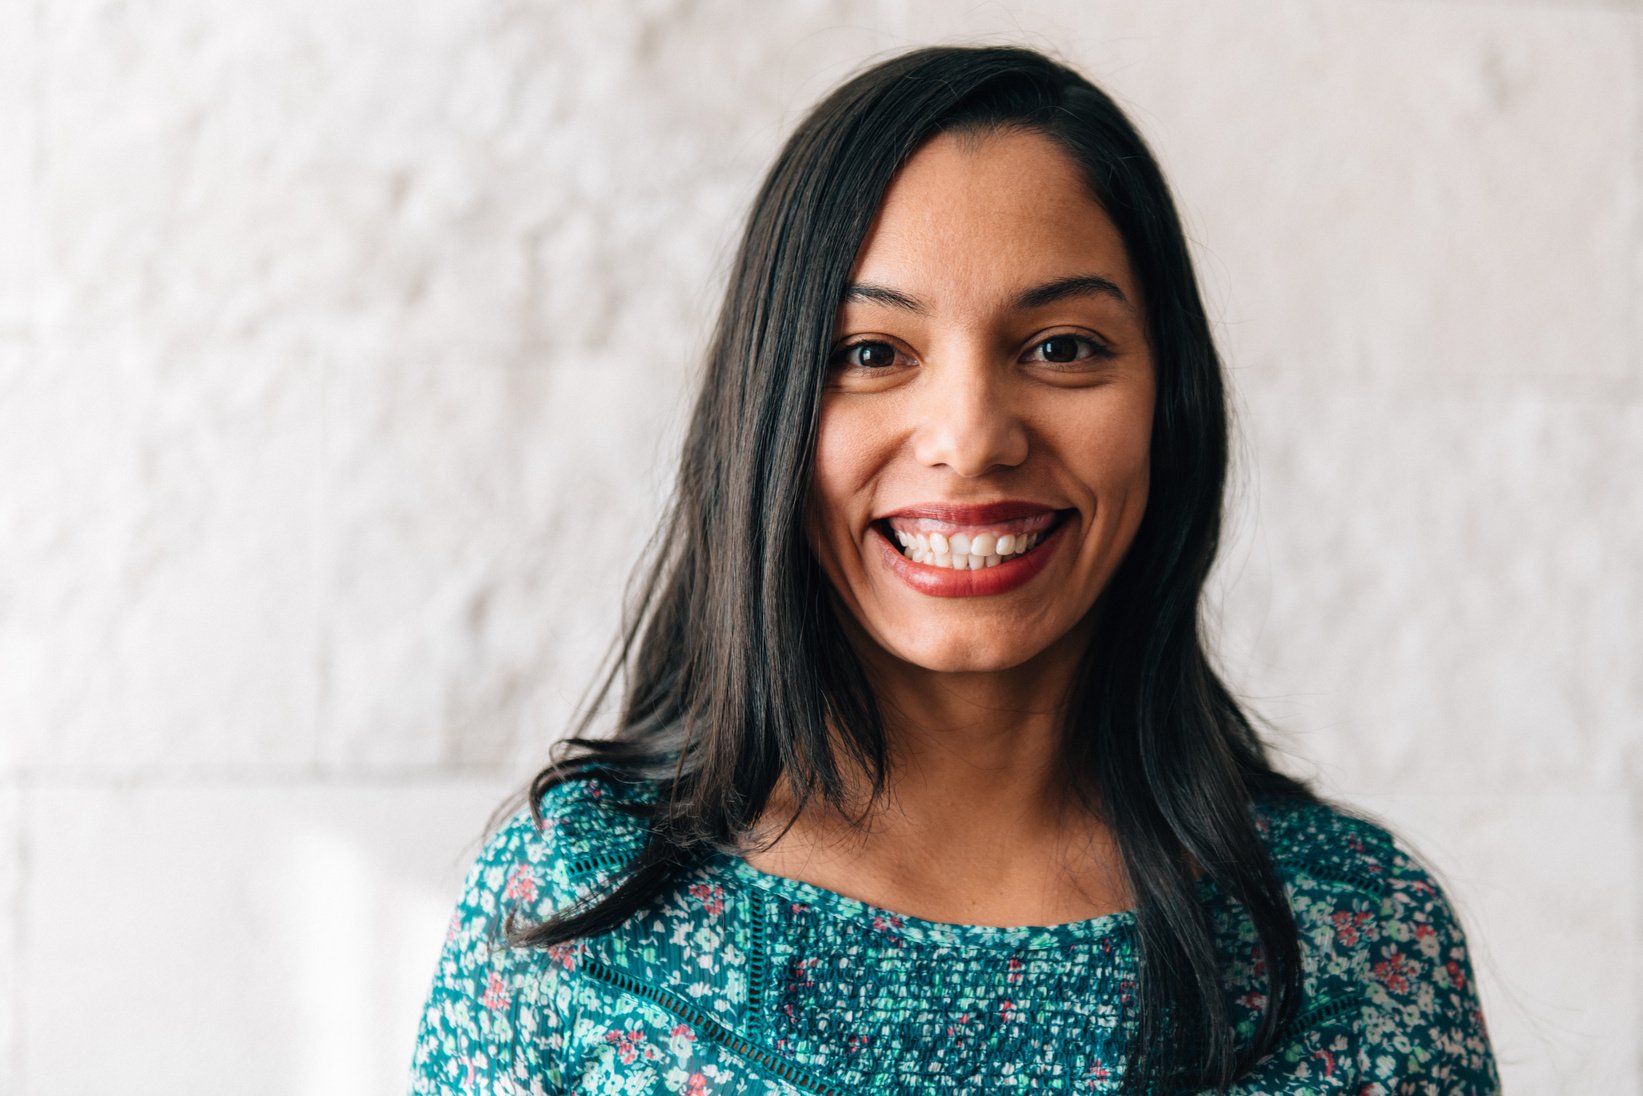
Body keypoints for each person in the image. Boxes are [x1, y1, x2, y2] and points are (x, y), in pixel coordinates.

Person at [408, 46, 1499, 1094]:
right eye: (872, 354)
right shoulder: (577, 908)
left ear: (1171, 408)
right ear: (769, 411)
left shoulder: (1361, 940)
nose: (971, 438)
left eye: (1062, 346)